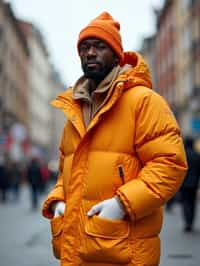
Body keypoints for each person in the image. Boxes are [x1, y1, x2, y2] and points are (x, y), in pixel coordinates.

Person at [42, 12, 187, 266]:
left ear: (116, 54)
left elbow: (170, 164)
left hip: (125, 251)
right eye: (84, 47)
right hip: (76, 251)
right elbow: (66, 169)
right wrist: (58, 201)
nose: (90, 53)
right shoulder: (74, 110)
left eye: (100, 46)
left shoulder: (143, 101)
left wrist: (122, 204)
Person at [180, 137, 200, 232]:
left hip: (184, 183)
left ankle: (187, 222)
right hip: (194, 184)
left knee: (185, 203)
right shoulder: (197, 155)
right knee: (192, 203)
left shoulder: (183, 155)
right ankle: (191, 222)